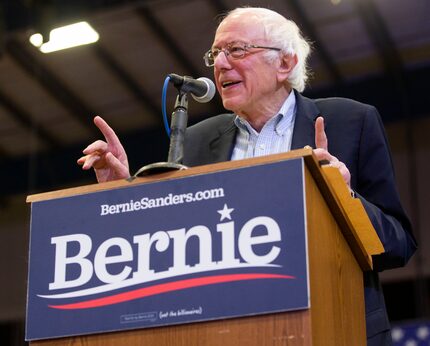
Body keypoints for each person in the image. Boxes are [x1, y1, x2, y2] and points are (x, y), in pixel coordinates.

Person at [78, 7, 417, 345]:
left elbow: (398, 245)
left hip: (337, 328)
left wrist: (346, 196)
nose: (221, 65)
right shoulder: (195, 140)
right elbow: (172, 247)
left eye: (236, 50)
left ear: (285, 64)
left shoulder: (351, 122)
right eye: (215, 54)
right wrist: (125, 194)